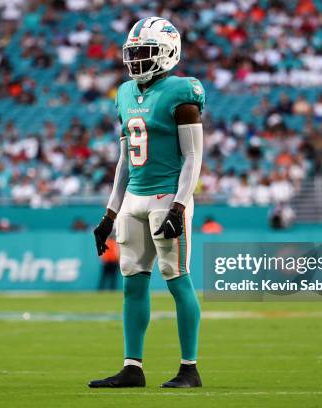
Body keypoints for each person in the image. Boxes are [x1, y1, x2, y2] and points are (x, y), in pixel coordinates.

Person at [91, 17, 204, 389]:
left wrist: (179, 205)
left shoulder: (181, 91)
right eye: (133, 53)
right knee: (132, 285)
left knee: (177, 281)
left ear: (169, 52)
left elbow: (192, 156)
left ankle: (189, 368)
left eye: (145, 52)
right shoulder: (125, 93)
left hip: (166, 196)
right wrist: (109, 213)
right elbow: (124, 159)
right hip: (134, 200)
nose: (137, 60)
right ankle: (132, 367)